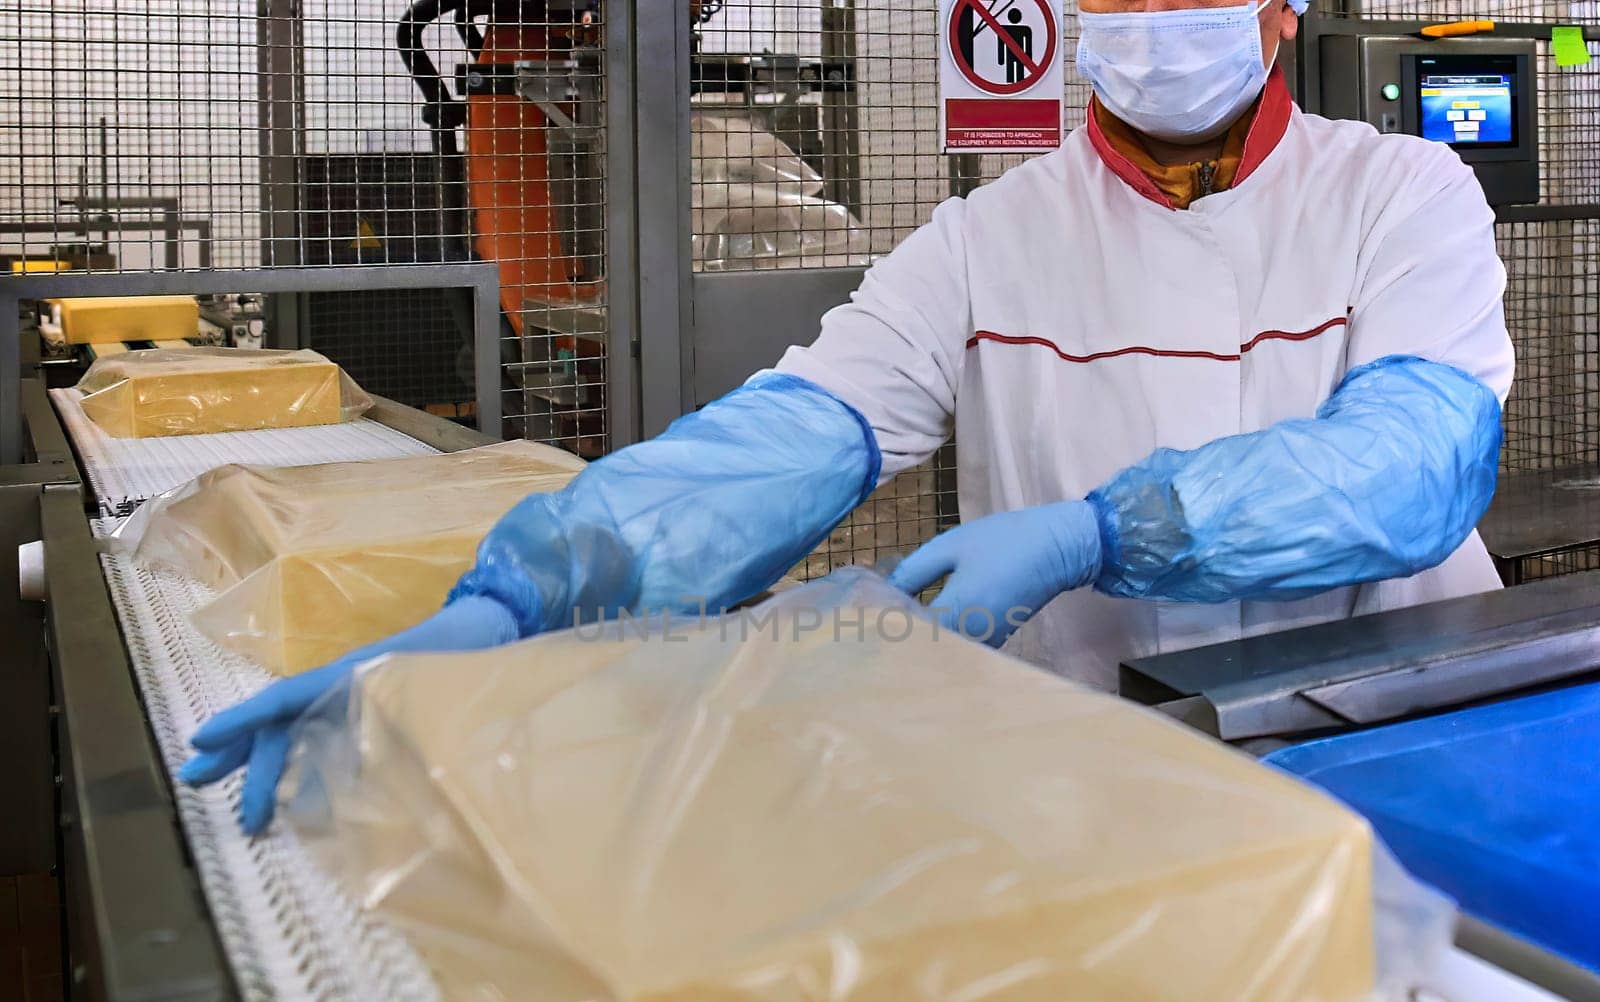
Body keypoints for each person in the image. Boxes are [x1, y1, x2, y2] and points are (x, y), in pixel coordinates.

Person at [186, 0, 1511, 832]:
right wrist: (531, 588)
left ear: (1279, 14)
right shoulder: (992, 237)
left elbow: (1408, 470)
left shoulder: (1402, 195)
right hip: (1102, 778)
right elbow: (795, 436)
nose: (1158, 19)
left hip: (1396, 751)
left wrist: (1100, 531)